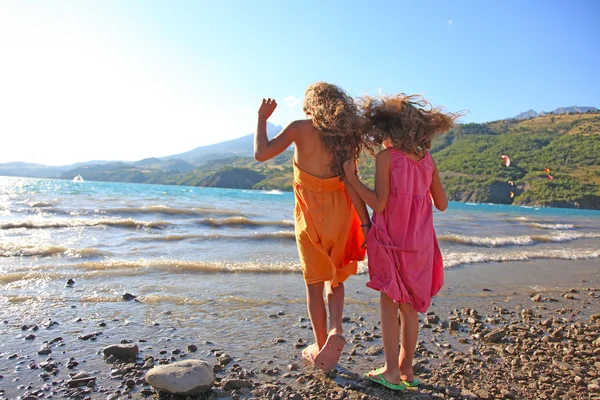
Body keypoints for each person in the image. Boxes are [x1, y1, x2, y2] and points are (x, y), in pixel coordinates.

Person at [343, 93, 457, 390]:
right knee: (409, 307)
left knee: (388, 299)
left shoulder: (387, 158)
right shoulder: (428, 160)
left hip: (391, 241)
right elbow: (442, 204)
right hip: (421, 244)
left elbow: (379, 204)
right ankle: (406, 369)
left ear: (386, 130)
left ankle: (391, 370)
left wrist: (353, 180)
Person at [254, 82, 370, 371]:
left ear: (310, 105)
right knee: (337, 277)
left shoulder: (298, 128)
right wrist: (366, 223)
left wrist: (261, 119)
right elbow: (352, 182)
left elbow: (261, 154)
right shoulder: (346, 137)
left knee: (314, 285)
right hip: (341, 213)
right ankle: (336, 330)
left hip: (309, 217)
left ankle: (320, 346)